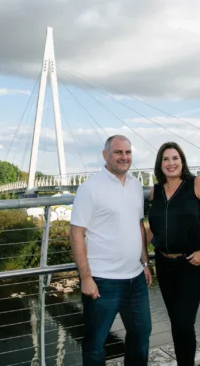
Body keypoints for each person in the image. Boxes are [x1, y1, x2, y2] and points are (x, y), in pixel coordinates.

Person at [70, 135, 153, 366]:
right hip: (103, 281)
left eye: (128, 152)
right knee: (95, 344)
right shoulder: (90, 188)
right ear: (105, 155)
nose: (124, 157)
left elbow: (139, 225)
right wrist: (86, 277)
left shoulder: (136, 185)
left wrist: (145, 263)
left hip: (136, 280)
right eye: (118, 152)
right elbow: (76, 232)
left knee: (141, 336)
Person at [148, 142, 200, 366]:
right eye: (166, 159)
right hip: (164, 264)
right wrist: (142, 259)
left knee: (184, 321)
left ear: (182, 161)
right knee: (176, 322)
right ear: (160, 164)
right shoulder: (156, 191)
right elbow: (153, 227)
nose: (170, 163)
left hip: (193, 263)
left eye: (175, 158)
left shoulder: (197, 184)